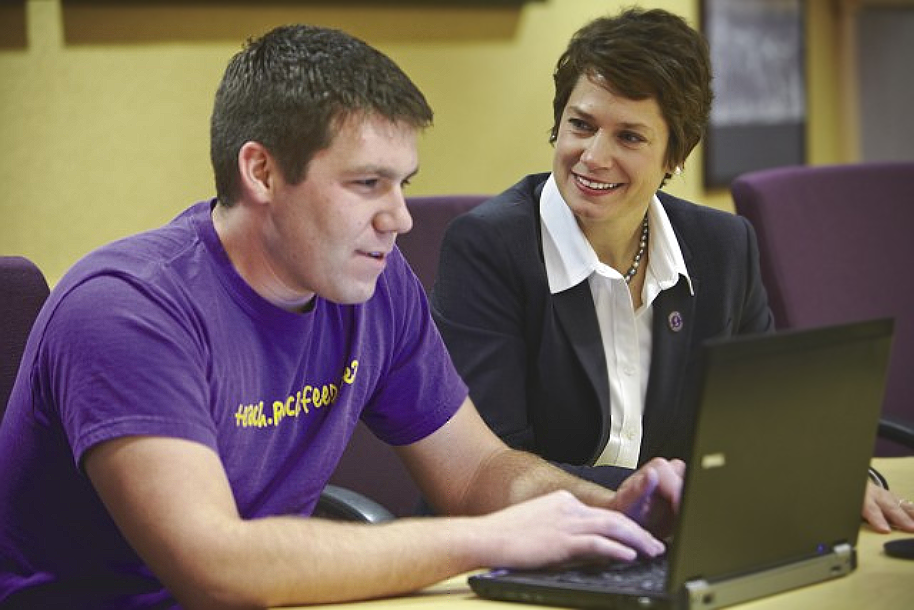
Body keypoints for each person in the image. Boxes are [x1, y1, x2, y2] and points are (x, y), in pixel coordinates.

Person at [0, 24, 688, 610]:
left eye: (403, 183)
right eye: (367, 184)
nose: (400, 217)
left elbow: (478, 472)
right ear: (262, 173)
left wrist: (602, 513)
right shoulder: (128, 310)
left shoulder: (373, 286)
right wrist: (493, 540)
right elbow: (212, 564)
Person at [430, 8, 914, 534]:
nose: (593, 156)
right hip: (525, 539)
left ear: (675, 155)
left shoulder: (722, 248)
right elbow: (489, 464)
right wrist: (648, 496)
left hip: (672, 538)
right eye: (581, 125)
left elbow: (761, 415)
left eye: (629, 138)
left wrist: (829, 471)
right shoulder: (490, 247)